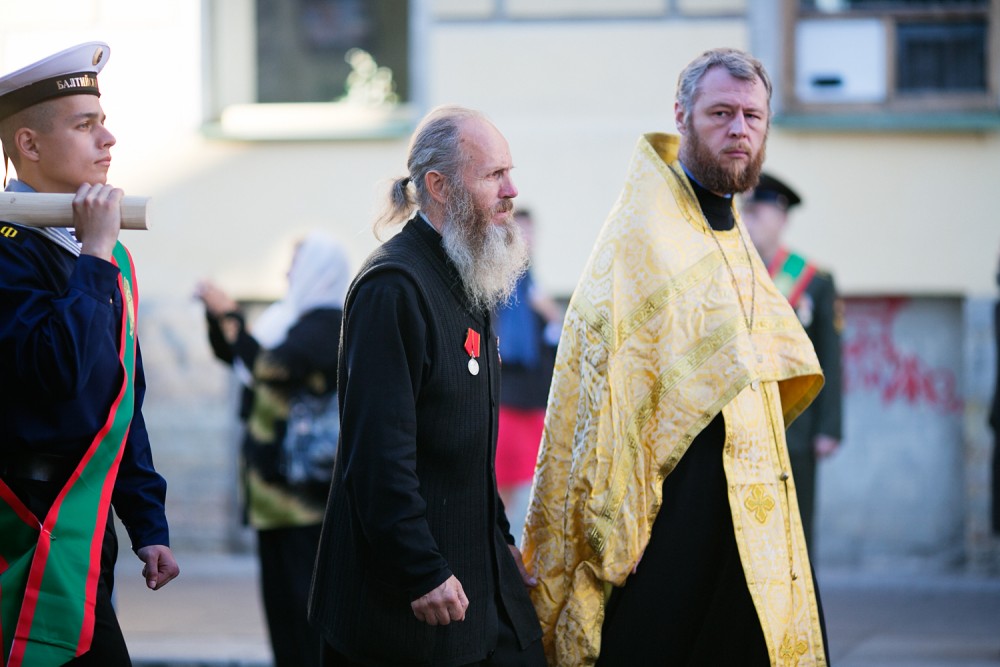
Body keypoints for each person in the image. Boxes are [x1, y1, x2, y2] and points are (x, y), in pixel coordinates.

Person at [521, 48, 829, 665]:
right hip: (666, 523)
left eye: (752, 116)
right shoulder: (643, 233)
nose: (739, 129)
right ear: (681, 116)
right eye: (720, 113)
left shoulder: (732, 232)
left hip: (750, 516)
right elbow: (606, 391)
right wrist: (614, 521)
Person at [308, 105, 546, 666]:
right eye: (494, 175)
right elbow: (377, 458)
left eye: (509, 172)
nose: (511, 191)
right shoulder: (394, 286)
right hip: (407, 610)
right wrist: (422, 570)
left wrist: (499, 545)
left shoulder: (467, 270)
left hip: (471, 582)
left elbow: (466, 442)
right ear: (438, 186)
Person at [0, 42, 179, 666]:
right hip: (24, 526)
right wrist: (94, 259)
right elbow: (60, 373)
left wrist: (147, 523)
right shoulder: (10, 251)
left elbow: (120, 397)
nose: (108, 139)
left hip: (87, 528)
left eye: (101, 121)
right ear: (29, 144)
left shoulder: (104, 258)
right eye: (84, 125)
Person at [196, 231, 350, 667]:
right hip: (276, 496)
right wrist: (219, 318)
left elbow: (266, 365)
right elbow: (238, 356)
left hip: (304, 497)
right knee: (282, 605)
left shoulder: (328, 324)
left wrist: (232, 316)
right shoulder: (290, 320)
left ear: (319, 271)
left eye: (296, 264)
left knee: (303, 605)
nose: (286, 272)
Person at [741, 172, 843, 552]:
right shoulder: (731, 274)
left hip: (796, 425)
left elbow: (829, 355)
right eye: (745, 212)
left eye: (759, 214)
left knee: (796, 527)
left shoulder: (813, 281)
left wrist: (829, 428)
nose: (750, 222)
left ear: (782, 219)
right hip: (745, 423)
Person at [494, 209, 563, 542]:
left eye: (531, 234)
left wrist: (551, 315)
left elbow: (553, 341)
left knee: (535, 488)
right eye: (520, 233)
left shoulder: (534, 285)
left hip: (533, 401)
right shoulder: (493, 286)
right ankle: (498, 546)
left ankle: (511, 547)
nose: (527, 241)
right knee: (502, 489)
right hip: (506, 401)